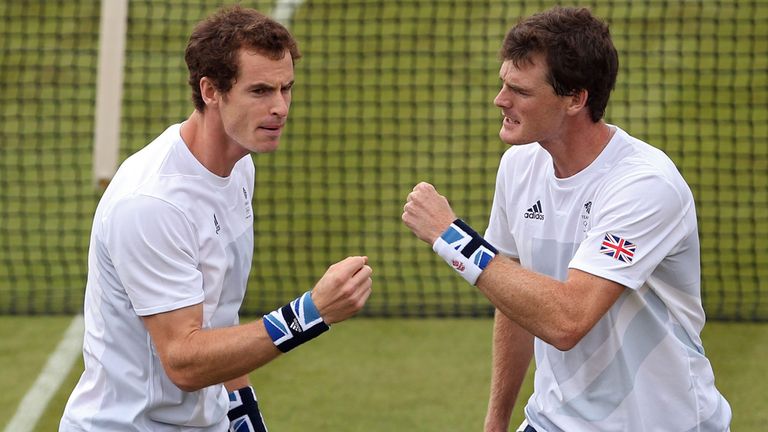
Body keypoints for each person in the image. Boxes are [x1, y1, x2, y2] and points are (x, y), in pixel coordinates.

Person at [402, 6, 731, 432]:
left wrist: (452, 239)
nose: (500, 100)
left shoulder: (644, 186)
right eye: (503, 84)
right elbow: (514, 293)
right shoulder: (518, 166)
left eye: (520, 91)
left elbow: (567, 320)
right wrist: (496, 420)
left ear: (575, 99)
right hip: (552, 421)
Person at [60, 6, 372, 431]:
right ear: (210, 91)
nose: (280, 107)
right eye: (260, 91)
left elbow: (219, 320)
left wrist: (248, 419)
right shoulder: (153, 204)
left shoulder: (239, 167)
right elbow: (184, 361)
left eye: (286, 88)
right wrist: (309, 313)